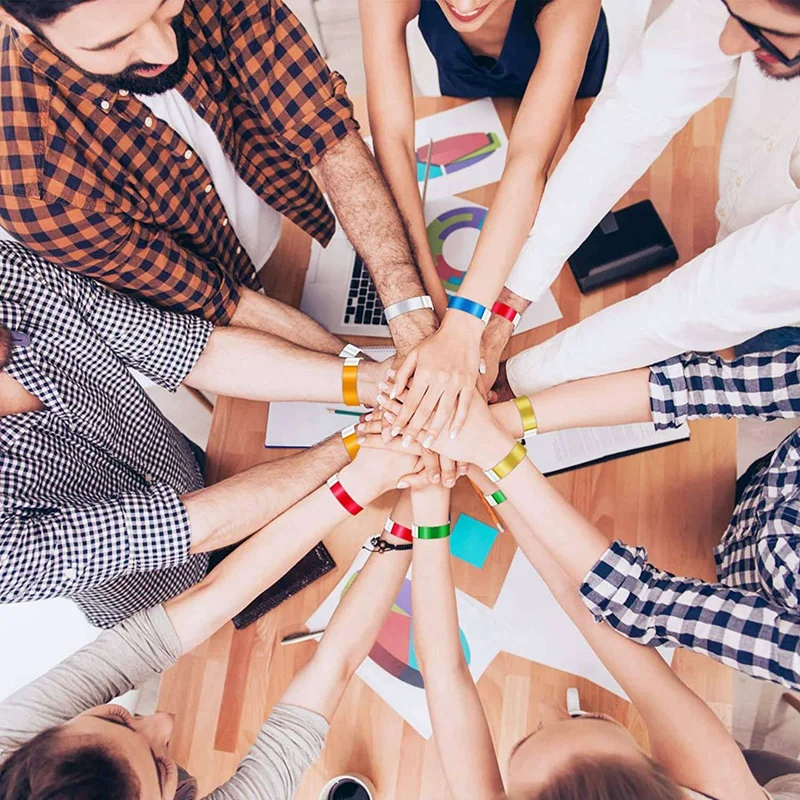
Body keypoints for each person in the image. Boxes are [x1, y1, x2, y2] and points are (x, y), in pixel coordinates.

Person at [363, 400, 798, 799]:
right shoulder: (717, 781)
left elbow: (443, 670)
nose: (554, 715)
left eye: (527, 739)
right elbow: (594, 610)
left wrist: (429, 504)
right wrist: (486, 475)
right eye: (586, 721)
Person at [0, 0, 437, 361]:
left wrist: (409, 310)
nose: (165, 49)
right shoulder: (27, 172)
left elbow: (326, 135)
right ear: (15, 22)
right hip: (199, 326)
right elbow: (215, 299)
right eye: (114, 42)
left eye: (164, 6)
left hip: (274, 236)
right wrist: (366, 372)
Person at [0, 241, 392, 627]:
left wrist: (372, 381)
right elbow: (193, 524)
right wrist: (355, 441)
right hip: (162, 595)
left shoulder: (11, 275)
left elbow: (193, 352)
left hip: (189, 467)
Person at [0, 443, 421, 799]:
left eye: (117, 717)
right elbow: (333, 669)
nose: (164, 719)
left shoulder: (14, 740)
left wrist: (361, 485)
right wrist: (417, 513)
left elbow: (211, 597)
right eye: (160, 765)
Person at [367, 347, 800, 689]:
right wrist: (497, 428)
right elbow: (695, 386)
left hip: (733, 583)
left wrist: (491, 451)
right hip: (748, 498)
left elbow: (645, 602)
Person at [488, 0, 800, 398]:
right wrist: (508, 304)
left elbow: (713, 295)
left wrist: (522, 377)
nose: (727, 41)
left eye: (761, 32)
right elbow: (636, 113)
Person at [360, 0, 611, 445]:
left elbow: (529, 160)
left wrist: (466, 322)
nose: (466, 2)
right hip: (467, 86)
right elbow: (394, 141)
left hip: (566, 85)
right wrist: (431, 307)